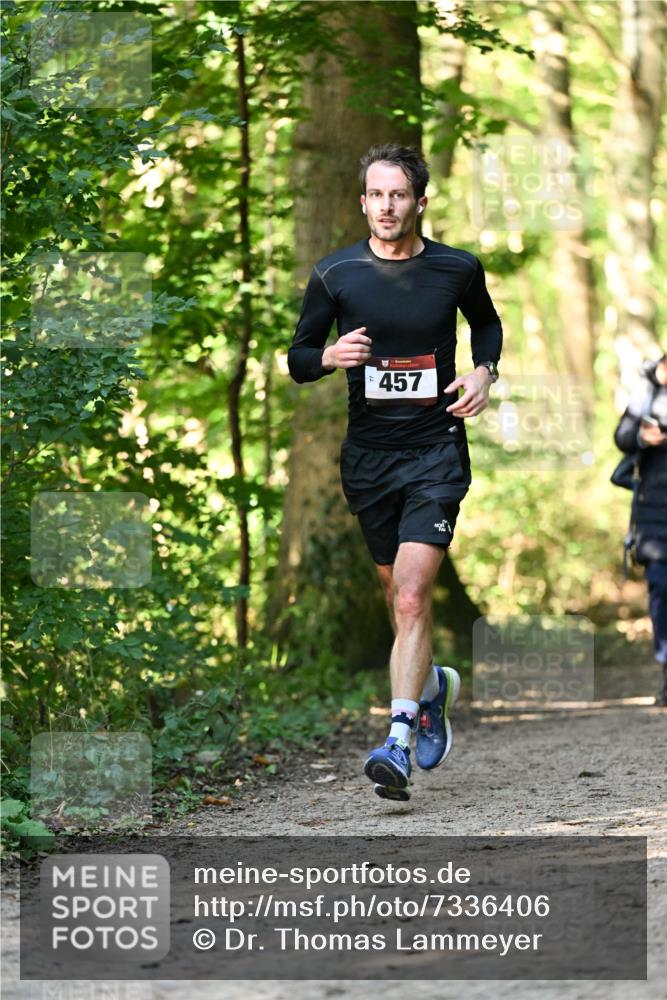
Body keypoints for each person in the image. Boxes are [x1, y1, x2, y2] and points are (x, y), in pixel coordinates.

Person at [287, 143, 503, 800]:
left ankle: (398, 741)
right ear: (363, 202)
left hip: (436, 451)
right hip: (369, 458)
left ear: (419, 201)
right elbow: (299, 358)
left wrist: (484, 372)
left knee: (411, 596)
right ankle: (432, 687)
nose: (386, 206)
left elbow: (487, 326)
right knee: (394, 594)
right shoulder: (336, 274)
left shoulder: (456, 268)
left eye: (398, 195)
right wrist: (329, 356)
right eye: (376, 195)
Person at [614, 353, 667, 706]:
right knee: (661, 588)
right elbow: (622, 436)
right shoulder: (647, 391)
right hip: (653, 510)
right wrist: (642, 437)